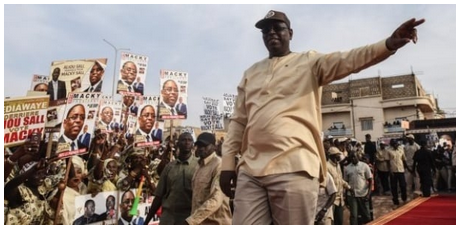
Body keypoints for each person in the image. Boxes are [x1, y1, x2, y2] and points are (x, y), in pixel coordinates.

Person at [219, 10, 425, 225]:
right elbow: (238, 122)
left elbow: (350, 59)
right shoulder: (251, 73)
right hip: (250, 169)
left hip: (294, 165)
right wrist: (227, 164)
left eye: (277, 28)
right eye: (265, 30)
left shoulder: (309, 62)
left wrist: (389, 44)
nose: (271, 33)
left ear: (290, 33)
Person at [144, 132, 199, 225]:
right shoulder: (169, 167)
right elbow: (159, 196)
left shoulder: (199, 166)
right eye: (183, 140)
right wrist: (146, 221)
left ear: (193, 144)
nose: (187, 142)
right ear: (178, 144)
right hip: (169, 217)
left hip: (190, 218)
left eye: (189, 140)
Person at [186, 132, 232, 225]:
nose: (201, 148)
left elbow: (216, 199)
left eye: (204, 145)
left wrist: (191, 221)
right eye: (198, 145)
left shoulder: (219, 165)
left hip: (216, 222)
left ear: (214, 147)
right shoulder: (199, 166)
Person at [344, 153, 373, 225]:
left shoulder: (364, 166)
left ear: (358, 157)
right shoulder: (347, 168)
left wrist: (368, 194)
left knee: (366, 215)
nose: (353, 159)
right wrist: (346, 196)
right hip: (352, 195)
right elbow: (345, 182)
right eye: (351, 157)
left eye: (354, 157)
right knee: (354, 215)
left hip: (363, 194)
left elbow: (370, 180)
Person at [326, 147, 350, 225]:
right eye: (337, 155)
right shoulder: (327, 166)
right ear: (332, 156)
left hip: (340, 199)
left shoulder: (338, 165)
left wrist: (348, 187)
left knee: (339, 221)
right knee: (331, 222)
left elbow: (340, 179)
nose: (339, 156)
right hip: (331, 200)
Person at [387, 139, 409, 209]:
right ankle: (396, 202)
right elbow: (388, 162)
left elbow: (404, 159)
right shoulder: (388, 150)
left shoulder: (401, 149)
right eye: (394, 144)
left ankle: (404, 199)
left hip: (401, 170)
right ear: (392, 145)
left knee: (403, 185)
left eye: (396, 144)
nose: (396, 145)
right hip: (393, 171)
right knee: (394, 187)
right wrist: (390, 171)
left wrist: (407, 168)